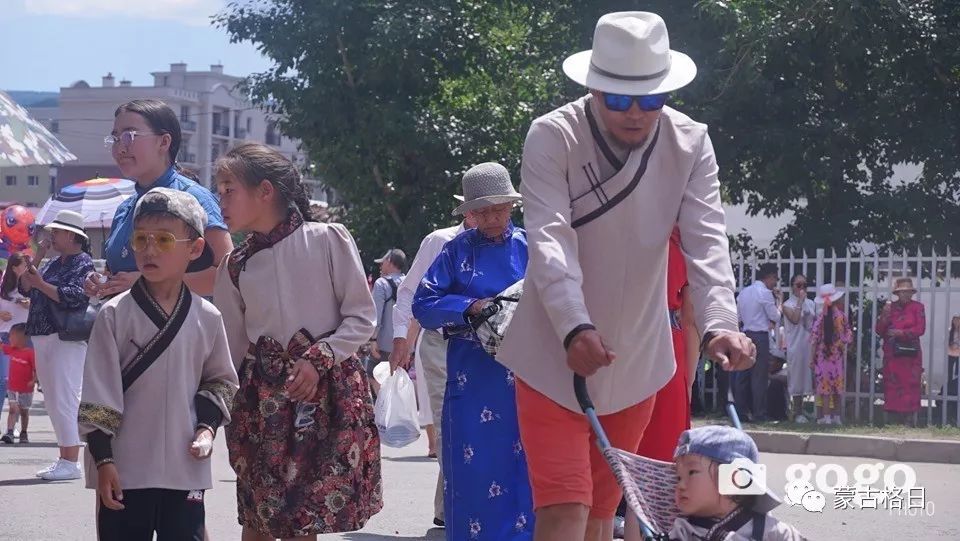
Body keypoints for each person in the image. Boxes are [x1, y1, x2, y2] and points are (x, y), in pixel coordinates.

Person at [498, 12, 756, 541]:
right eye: (618, 99)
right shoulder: (552, 136)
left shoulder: (691, 142)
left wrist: (719, 325)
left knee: (602, 512)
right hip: (553, 352)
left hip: (638, 359)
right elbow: (550, 239)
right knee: (565, 506)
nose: (636, 113)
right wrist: (573, 326)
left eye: (650, 98)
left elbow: (707, 241)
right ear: (593, 87)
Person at [212, 143, 381, 540]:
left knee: (302, 520)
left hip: (325, 399)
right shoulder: (235, 265)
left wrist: (320, 357)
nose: (220, 201)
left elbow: (361, 317)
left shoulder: (327, 240)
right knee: (257, 518)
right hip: (261, 407)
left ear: (265, 191)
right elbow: (228, 348)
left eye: (228, 189)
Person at [77, 188, 239, 540]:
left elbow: (221, 382)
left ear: (194, 250)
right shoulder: (114, 314)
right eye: (141, 239)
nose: (149, 249)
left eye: (163, 240)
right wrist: (104, 461)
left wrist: (206, 429)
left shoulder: (207, 317)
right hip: (125, 467)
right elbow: (98, 392)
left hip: (185, 467)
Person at [412, 162, 534, 541]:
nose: (490, 217)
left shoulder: (532, 247)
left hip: (526, 375)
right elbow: (423, 303)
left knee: (524, 466)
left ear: (511, 206)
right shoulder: (455, 252)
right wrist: (470, 307)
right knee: (471, 467)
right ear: (468, 213)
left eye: (497, 208)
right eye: (480, 210)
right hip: (471, 373)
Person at [85, 99, 232, 301]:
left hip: (182, 328)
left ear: (164, 142)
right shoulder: (125, 209)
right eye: (115, 139)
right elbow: (122, 272)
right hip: (127, 326)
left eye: (129, 136)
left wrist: (148, 283)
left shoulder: (195, 198)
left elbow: (228, 273)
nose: (120, 148)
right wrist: (102, 281)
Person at [389, 209, 479, 528]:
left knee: (477, 425)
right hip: (443, 344)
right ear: (468, 211)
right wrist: (401, 341)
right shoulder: (440, 241)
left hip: (490, 350)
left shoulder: (512, 244)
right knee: (448, 424)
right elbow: (412, 294)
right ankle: (463, 506)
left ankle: (447, 506)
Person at [19, 209, 95, 481]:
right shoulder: (52, 263)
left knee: (65, 395)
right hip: (44, 334)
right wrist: (38, 255)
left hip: (64, 335)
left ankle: (70, 459)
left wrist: (41, 285)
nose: (52, 235)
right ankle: (66, 456)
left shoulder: (82, 261)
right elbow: (26, 286)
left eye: (57, 232)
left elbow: (75, 297)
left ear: (72, 235)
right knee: (52, 397)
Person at [632, 425, 805, 540]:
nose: (681, 485)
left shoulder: (768, 529)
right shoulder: (684, 529)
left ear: (733, 479)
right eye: (678, 477)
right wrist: (637, 501)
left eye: (692, 472)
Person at [876, 277, 926, 426]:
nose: (906, 295)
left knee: (910, 384)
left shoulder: (918, 307)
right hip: (893, 354)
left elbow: (920, 329)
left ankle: (909, 418)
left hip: (911, 354)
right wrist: (884, 316)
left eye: (909, 292)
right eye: (903, 292)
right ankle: (893, 418)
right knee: (892, 383)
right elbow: (879, 330)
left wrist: (901, 333)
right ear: (897, 293)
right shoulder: (889, 307)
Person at [736, 263, 782, 423]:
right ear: (768, 277)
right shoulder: (765, 293)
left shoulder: (743, 293)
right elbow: (775, 316)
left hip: (746, 333)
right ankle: (759, 413)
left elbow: (738, 317)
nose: (775, 282)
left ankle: (741, 411)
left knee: (742, 374)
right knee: (759, 376)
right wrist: (780, 303)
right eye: (775, 278)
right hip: (760, 336)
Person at [810, 284, 852, 425]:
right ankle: (837, 418)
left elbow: (814, 339)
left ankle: (826, 417)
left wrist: (811, 359)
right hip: (837, 358)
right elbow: (847, 336)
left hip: (823, 358)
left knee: (825, 389)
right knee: (837, 389)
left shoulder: (821, 318)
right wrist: (841, 343)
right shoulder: (842, 317)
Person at [368, 248, 406, 394]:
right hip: (407, 344)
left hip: (385, 344)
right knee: (398, 378)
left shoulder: (381, 283)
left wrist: (373, 340)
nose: (380, 266)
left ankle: (385, 407)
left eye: (382, 263)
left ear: (390, 262)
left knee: (372, 373)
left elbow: (375, 315)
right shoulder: (409, 282)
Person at [781, 274, 815, 423]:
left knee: (807, 377)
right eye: (798, 285)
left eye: (804, 285)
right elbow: (794, 319)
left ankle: (805, 410)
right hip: (795, 344)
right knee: (796, 377)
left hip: (807, 344)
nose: (802, 288)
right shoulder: (787, 304)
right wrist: (800, 301)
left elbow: (812, 324)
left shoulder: (811, 303)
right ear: (792, 287)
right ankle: (796, 412)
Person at [0, 252, 31, 405]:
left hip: (26, 336)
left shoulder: (30, 284)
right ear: (14, 268)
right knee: (6, 380)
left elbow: (41, 307)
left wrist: (30, 305)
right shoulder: (3, 286)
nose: (27, 269)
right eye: (24, 266)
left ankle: (19, 424)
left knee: (23, 382)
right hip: (6, 335)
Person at [1, 324, 35, 444]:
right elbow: (1, 347)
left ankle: (24, 432)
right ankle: (9, 432)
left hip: (25, 389)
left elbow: (36, 369)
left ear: (22, 338)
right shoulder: (11, 350)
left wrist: (34, 380)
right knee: (12, 409)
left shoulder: (30, 353)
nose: (9, 339)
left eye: (12, 336)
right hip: (12, 387)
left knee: (24, 412)